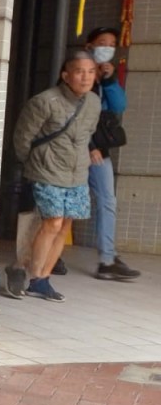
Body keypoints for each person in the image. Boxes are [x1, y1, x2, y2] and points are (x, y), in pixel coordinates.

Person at [8, 49, 99, 302]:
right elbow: (22, 138)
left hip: (77, 173)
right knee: (53, 222)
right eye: (79, 72)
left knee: (65, 224)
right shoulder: (45, 101)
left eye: (91, 72)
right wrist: (34, 164)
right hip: (46, 169)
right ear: (65, 75)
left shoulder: (93, 102)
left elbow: (87, 134)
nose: (86, 77)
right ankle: (33, 272)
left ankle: (41, 279)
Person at [85, 26, 140, 281]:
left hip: (100, 152)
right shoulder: (78, 72)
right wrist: (89, 147)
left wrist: (108, 80)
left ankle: (107, 259)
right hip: (78, 150)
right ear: (89, 46)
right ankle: (45, 256)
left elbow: (119, 106)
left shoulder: (106, 77)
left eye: (111, 44)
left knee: (108, 201)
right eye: (102, 43)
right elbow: (71, 117)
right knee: (62, 204)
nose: (107, 48)